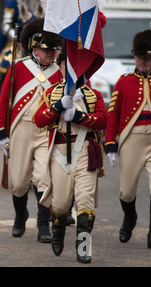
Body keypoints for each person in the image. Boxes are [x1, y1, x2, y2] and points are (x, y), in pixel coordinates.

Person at [33, 47, 108, 263]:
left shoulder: (92, 94)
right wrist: (57, 106)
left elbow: (103, 119)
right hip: (59, 152)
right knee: (60, 204)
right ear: (62, 67)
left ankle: (83, 247)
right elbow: (39, 120)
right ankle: (58, 228)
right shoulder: (52, 92)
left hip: (85, 150)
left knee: (85, 202)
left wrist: (79, 116)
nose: (72, 69)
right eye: (68, 65)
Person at [0, 18, 63, 243]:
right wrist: (0, 132)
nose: (52, 53)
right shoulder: (19, 67)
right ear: (34, 48)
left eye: (54, 50)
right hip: (20, 130)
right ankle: (20, 215)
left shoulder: (59, 74)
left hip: (45, 130)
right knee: (19, 183)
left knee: (44, 178)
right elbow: (4, 102)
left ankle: (43, 226)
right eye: (47, 50)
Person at [104, 29, 151, 250]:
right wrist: (110, 143)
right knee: (127, 192)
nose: (142, 61)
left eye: (146, 57)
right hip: (132, 140)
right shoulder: (123, 81)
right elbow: (113, 114)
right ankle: (130, 218)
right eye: (138, 57)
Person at [0, 0, 44, 115]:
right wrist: (20, 39)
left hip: (42, 45)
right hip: (18, 43)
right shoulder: (13, 0)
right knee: (2, 65)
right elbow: (5, 25)